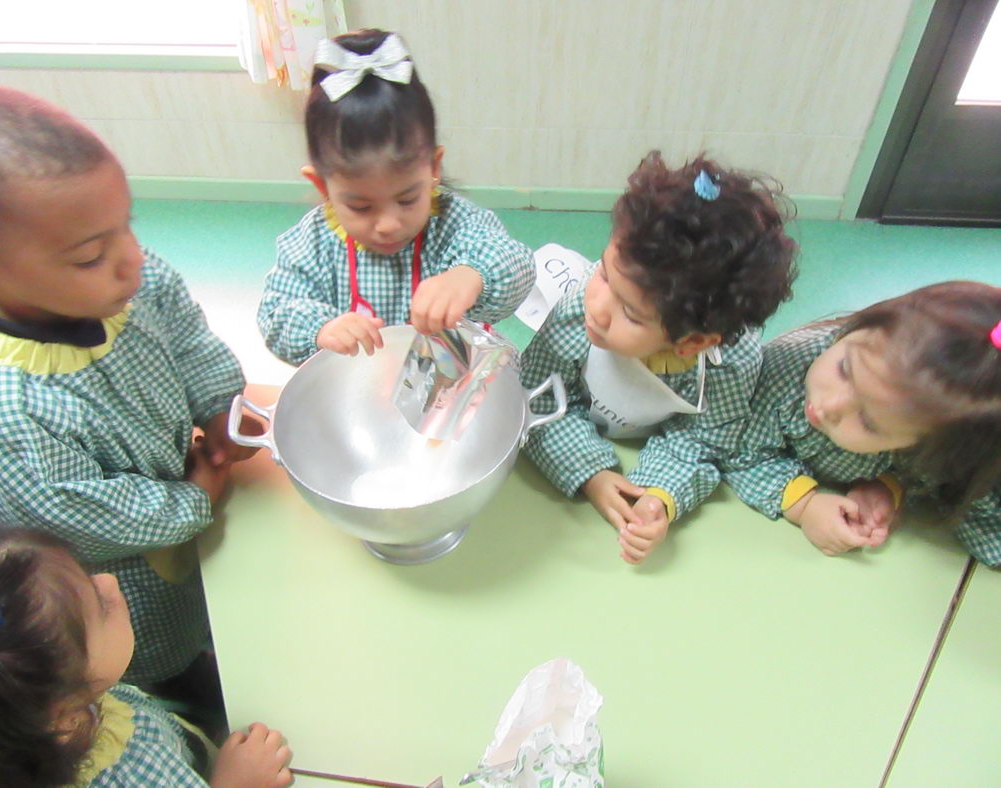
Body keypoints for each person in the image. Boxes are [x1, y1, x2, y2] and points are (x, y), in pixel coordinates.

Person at [0, 80, 261, 684]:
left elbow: (188, 338)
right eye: (91, 254)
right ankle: (176, 685)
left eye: (129, 223)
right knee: (160, 645)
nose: (133, 258)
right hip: (125, 581)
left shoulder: (129, 282)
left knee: (219, 594)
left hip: (191, 490)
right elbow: (80, 521)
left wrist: (223, 404)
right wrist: (192, 499)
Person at [521, 152, 797, 563]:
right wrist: (592, 473)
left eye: (630, 313)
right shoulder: (581, 306)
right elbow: (539, 397)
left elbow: (701, 442)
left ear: (692, 342)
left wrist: (658, 496)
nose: (598, 306)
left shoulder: (730, 365)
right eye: (605, 274)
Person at [257, 28, 534, 365]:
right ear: (322, 186)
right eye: (360, 206)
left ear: (433, 167)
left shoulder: (454, 223)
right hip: (357, 388)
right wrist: (322, 327)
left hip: (453, 379)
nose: (388, 225)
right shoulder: (311, 244)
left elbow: (515, 263)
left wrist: (469, 276)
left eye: (406, 200)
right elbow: (276, 312)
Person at [0, 526, 293, 787]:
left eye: (88, 574)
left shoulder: (40, 701)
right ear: (61, 718)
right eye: (100, 605)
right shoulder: (129, 776)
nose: (109, 582)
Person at [720, 281, 1001, 559]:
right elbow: (740, 452)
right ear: (858, 327)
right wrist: (805, 505)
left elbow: (952, 495)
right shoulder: (782, 371)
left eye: (867, 421)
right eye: (844, 369)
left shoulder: (942, 441)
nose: (829, 405)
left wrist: (887, 486)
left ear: (918, 445)